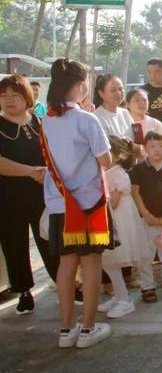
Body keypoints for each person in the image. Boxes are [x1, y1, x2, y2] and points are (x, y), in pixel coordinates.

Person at [42, 58, 113, 348]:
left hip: (60, 202)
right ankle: (88, 329)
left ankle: (66, 329)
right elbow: (105, 160)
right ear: (81, 85)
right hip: (88, 203)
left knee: (66, 264)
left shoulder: (47, 118)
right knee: (92, 263)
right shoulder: (87, 119)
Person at [0, 74, 57, 315]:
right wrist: (30, 172)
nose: (9, 100)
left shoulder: (39, 122)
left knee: (49, 239)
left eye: (14, 95)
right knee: (15, 244)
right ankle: (23, 291)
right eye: (3, 96)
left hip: (41, 194)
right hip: (8, 197)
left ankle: (63, 282)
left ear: (27, 97)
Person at [98, 136, 149, 319]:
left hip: (119, 221)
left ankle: (123, 299)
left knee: (111, 259)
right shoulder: (109, 171)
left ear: (117, 155)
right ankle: (119, 295)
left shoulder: (116, 173)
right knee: (108, 261)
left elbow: (115, 202)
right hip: (115, 218)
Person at [130, 132, 162, 304]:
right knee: (146, 255)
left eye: (161, 146)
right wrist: (146, 215)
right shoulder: (138, 170)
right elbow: (135, 193)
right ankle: (147, 286)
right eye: (152, 146)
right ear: (144, 149)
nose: (157, 150)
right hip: (146, 220)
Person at [93, 74, 134, 142]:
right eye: (113, 90)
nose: (118, 93)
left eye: (120, 89)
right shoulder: (96, 117)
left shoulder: (125, 113)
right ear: (101, 93)